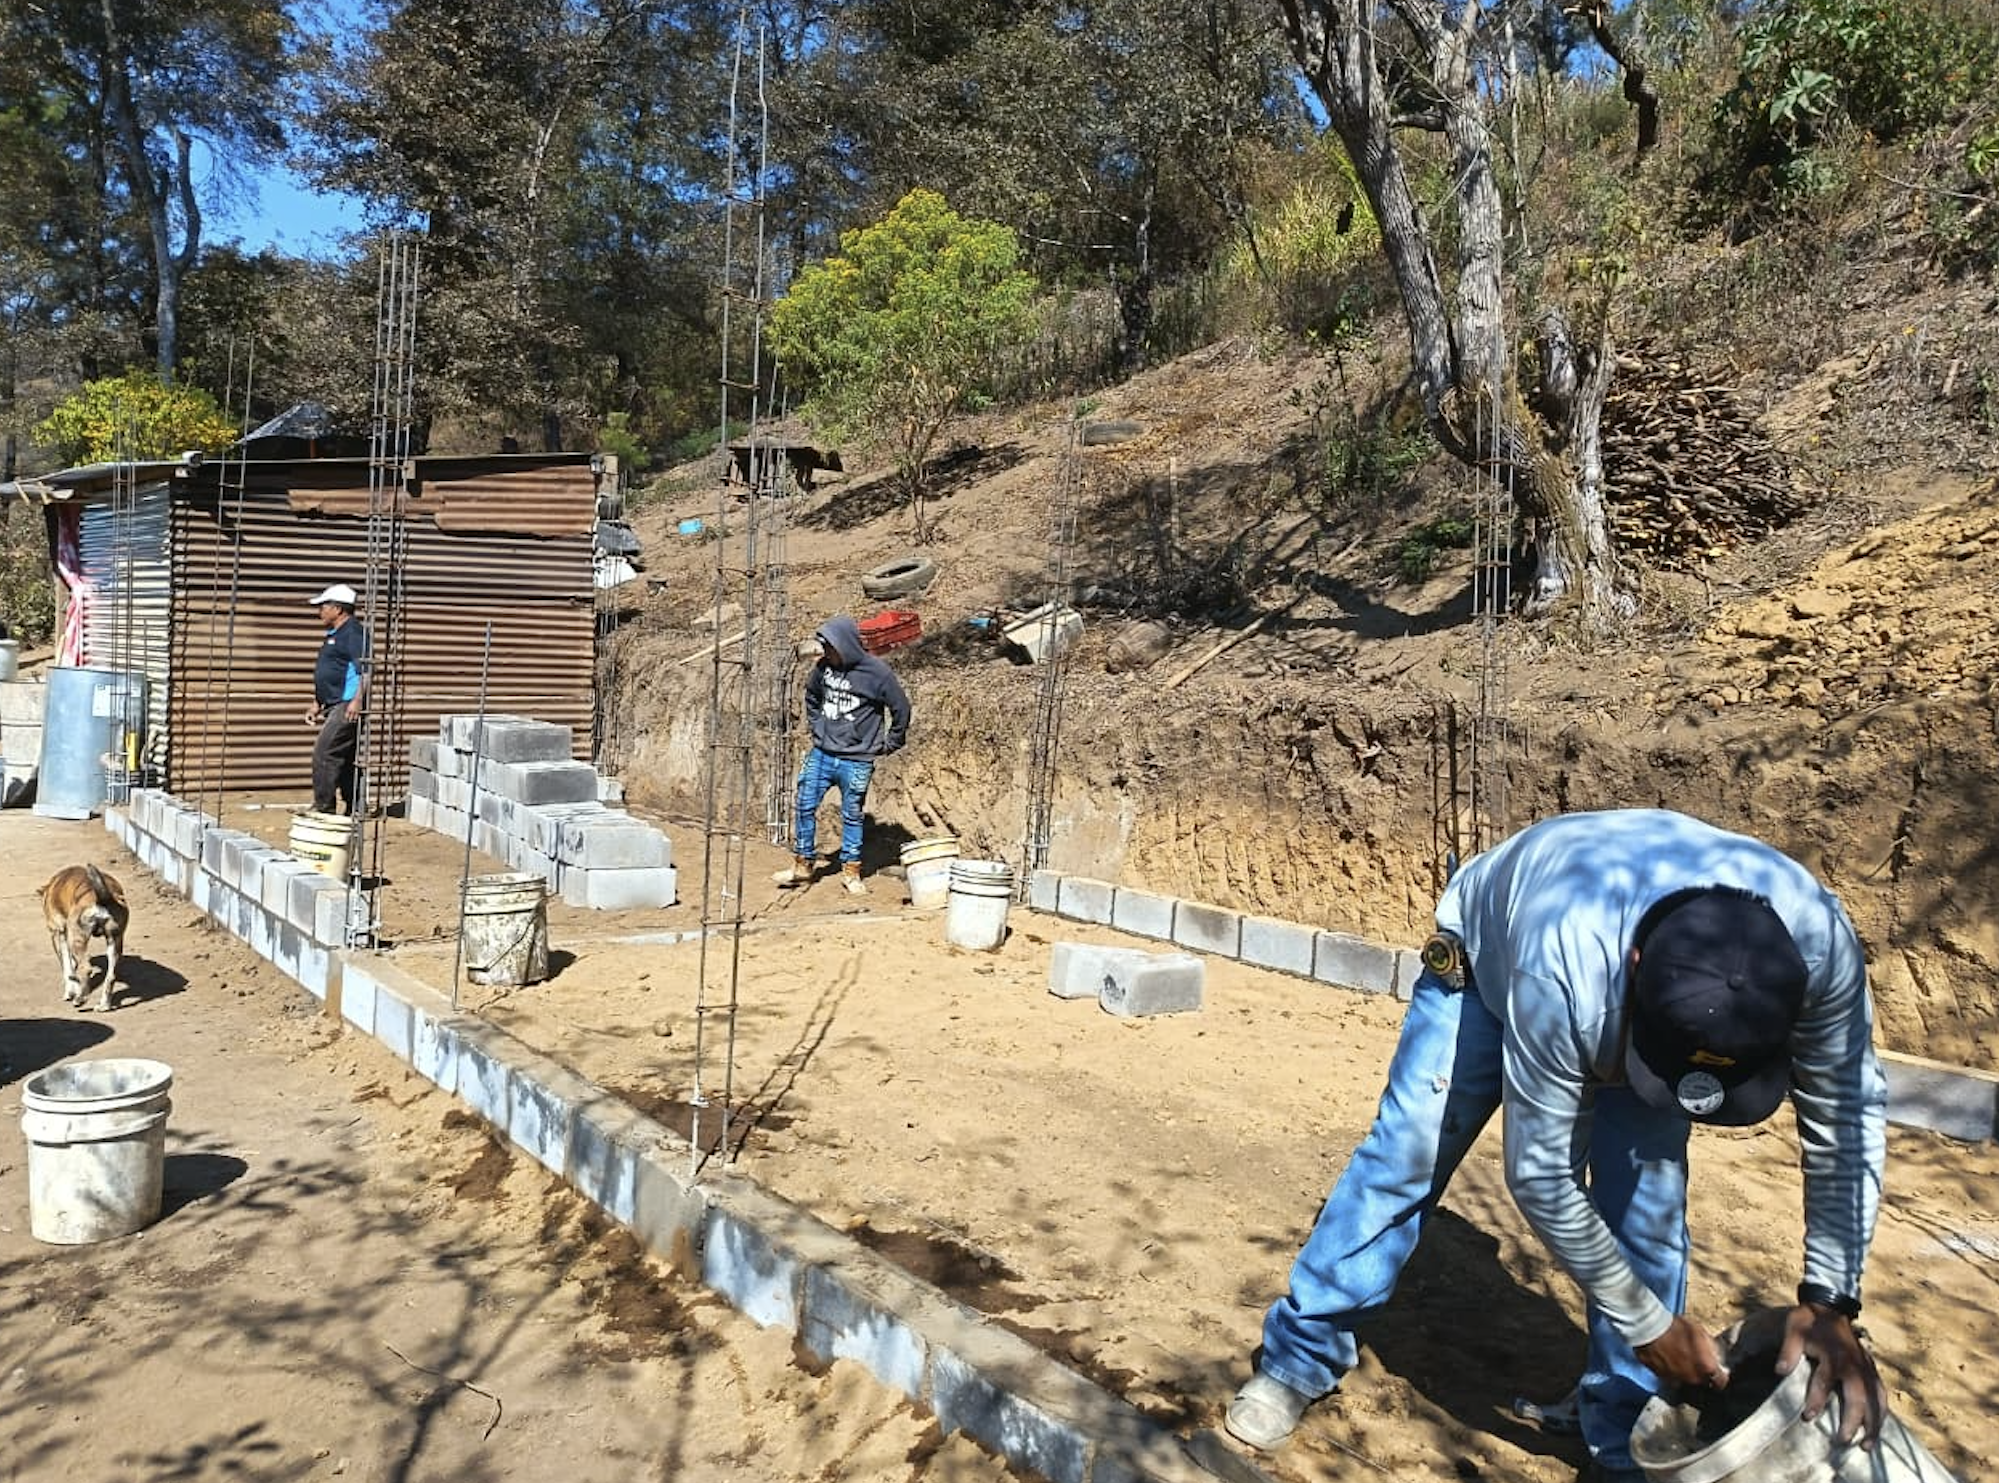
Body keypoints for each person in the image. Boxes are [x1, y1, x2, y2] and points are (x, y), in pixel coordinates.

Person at [1225, 808, 1888, 1482]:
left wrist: (1831, 1300)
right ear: (1636, 971)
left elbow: (1847, 1115)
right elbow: (1541, 1174)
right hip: (1490, 968)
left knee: (1646, 1214)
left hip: (1635, 996)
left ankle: (1623, 1430)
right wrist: (1649, 1324)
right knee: (1409, 1154)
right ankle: (1297, 1356)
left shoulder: (1817, 951)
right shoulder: (1560, 962)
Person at [773, 615, 911, 896]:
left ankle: (851, 872)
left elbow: (901, 708)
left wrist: (891, 742)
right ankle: (803, 864)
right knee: (804, 804)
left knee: (852, 815)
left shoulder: (877, 674)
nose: (826, 654)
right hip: (822, 752)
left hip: (857, 759)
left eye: (831, 648)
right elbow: (812, 696)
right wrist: (817, 725)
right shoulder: (823, 668)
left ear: (845, 645)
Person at [305, 582, 368, 815]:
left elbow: (367, 669)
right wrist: (318, 701)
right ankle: (356, 805)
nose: (319, 611)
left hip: (347, 704)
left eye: (323, 606)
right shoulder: (335, 634)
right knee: (343, 756)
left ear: (338, 609)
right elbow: (330, 670)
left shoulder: (353, 633)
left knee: (324, 753)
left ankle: (324, 807)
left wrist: (357, 700)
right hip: (334, 703)